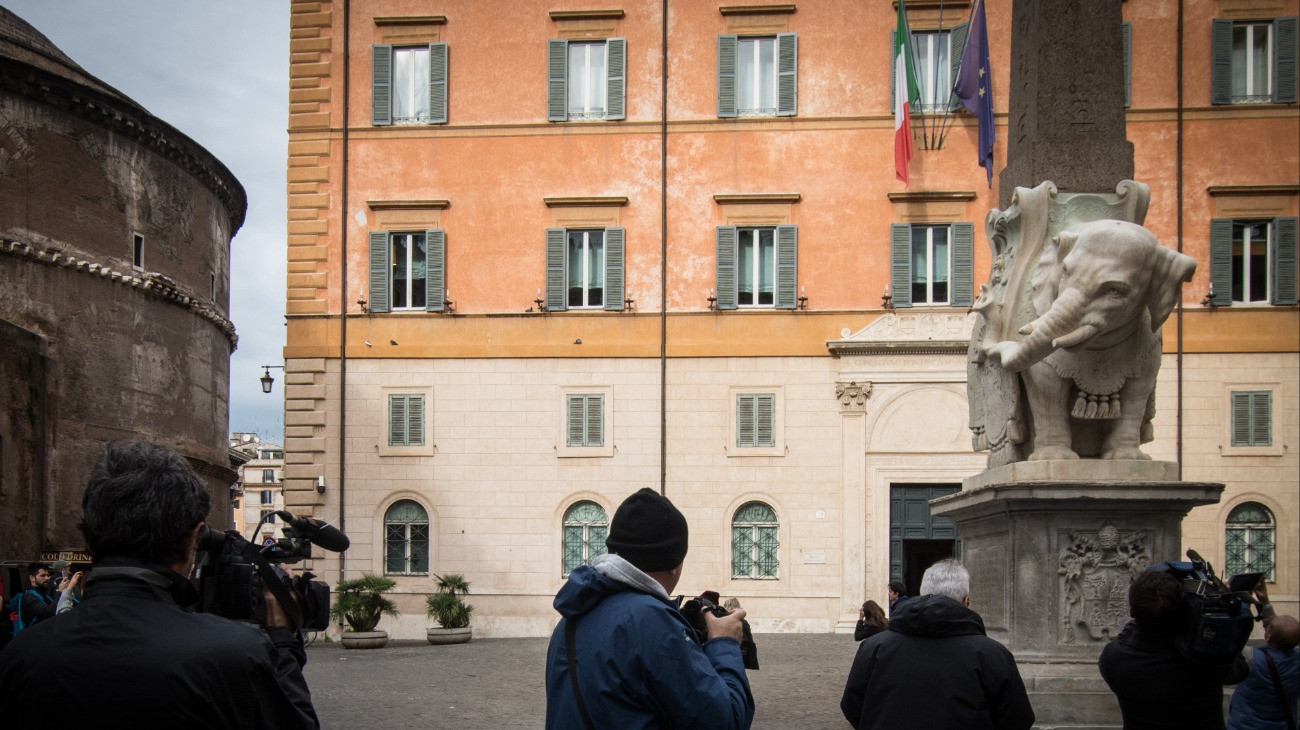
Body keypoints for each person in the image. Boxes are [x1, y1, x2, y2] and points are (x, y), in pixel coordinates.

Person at [0, 441, 318, 729]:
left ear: (88, 537)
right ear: (193, 539)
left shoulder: (20, 657)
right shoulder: (234, 656)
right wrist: (281, 637)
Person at [545, 488, 755, 729]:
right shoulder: (651, 621)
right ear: (676, 563)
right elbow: (726, 721)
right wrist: (724, 643)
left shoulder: (572, 614)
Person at [841, 559, 1035, 730]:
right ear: (966, 600)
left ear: (922, 593)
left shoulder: (874, 647)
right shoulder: (992, 654)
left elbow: (852, 705)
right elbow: (1017, 718)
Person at [1098, 570, 1249, 729]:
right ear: (1183, 609)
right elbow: (1240, 669)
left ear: (1132, 612)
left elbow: (1130, 630)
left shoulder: (1114, 660)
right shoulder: (1206, 660)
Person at [1227, 580, 1299, 730]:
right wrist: (1264, 601)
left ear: (1267, 636)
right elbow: (1279, 631)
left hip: (1245, 725)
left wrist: (1228, 598)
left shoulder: (1251, 658)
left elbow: (1230, 641)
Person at [8, 562, 62, 633]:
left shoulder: (45, 595)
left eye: (48, 575)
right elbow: (48, 612)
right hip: (30, 638)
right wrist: (60, 592)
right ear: (32, 578)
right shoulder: (28, 597)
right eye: (42, 575)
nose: (47, 578)